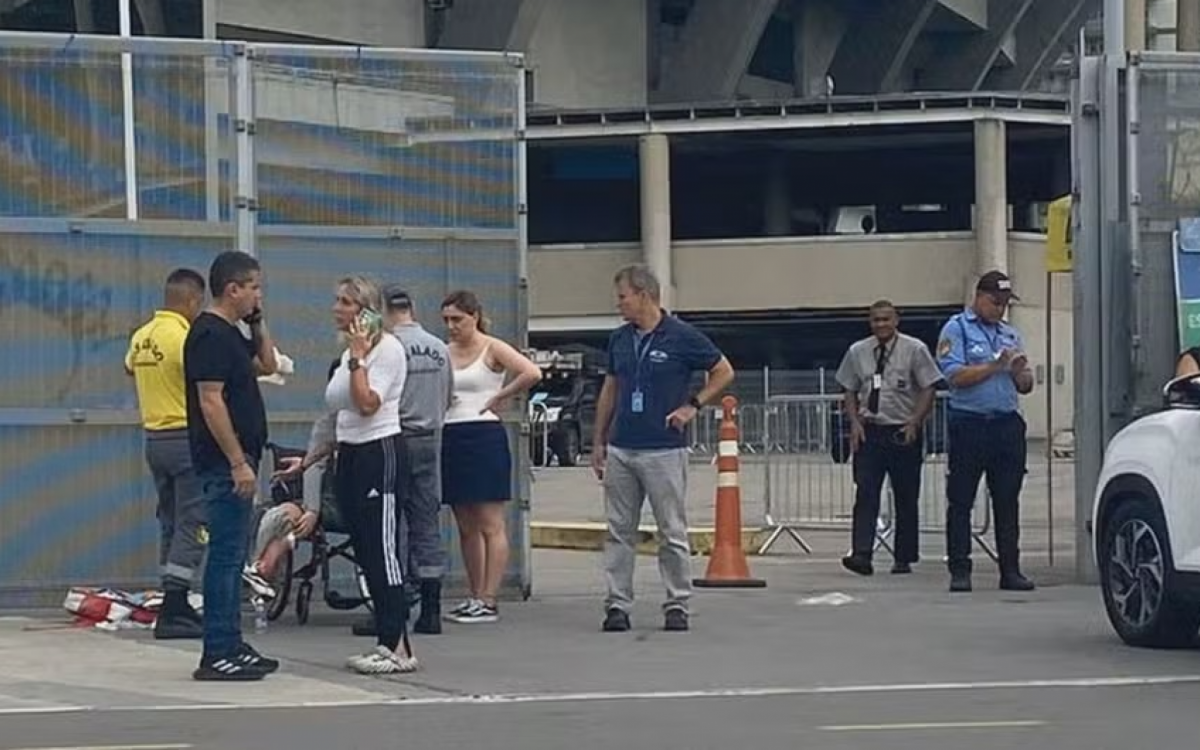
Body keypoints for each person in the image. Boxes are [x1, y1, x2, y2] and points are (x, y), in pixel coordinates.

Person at [592, 264, 735, 633]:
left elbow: (723, 370)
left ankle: (677, 603)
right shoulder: (620, 339)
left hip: (664, 448)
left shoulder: (681, 336)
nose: (619, 304)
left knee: (671, 529)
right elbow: (610, 388)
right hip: (623, 446)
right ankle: (617, 604)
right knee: (619, 530)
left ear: (644, 295)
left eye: (623, 297)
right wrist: (599, 439)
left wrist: (693, 405)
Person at [184, 250, 280, 681]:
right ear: (232, 289)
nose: (258, 294)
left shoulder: (232, 334)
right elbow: (210, 401)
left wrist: (258, 323)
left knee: (235, 554)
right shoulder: (209, 334)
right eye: (253, 287)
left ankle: (233, 642)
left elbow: (267, 364)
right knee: (224, 556)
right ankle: (216, 651)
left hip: (242, 457)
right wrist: (237, 461)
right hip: (224, 462)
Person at [325, 276, 419, 675]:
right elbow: (338, 411)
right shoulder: (349, 351)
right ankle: (387, 640)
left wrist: (359, 358)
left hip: (379, 451)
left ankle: (396, 645)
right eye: (337, 300)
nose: (337, 309)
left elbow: (367, 403)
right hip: (349, 452)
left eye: (346, 302)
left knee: (383, 551)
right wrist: (313, 458)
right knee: (364, 550)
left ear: (366, 312)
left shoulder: (387, 351)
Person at [440, 290, 542, 624]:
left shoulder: (492, 347)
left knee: (490, 522)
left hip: (483, 433)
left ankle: (489, 597)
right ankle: (474, 594)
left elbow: (531, 372)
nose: (452, 327)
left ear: (474, 317)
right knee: (465, 523)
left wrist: (501, 395)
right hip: (452, 433)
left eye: (458, 319)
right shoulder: (444, 352)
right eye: (447, 320)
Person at [936, 270, 1036, 594]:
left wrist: (1020, 373)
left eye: (1004, 303)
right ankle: (960, 569)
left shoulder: (1010, 334)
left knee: (1007, 500)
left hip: (1005, 424)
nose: (1000, 309)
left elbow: (1026, 385)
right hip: (970, 423)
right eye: (995, 302)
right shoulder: (957, 329)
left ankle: (1011, 570)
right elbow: (954, 376)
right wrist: (994, 366)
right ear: (978, 297)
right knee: (961, 499)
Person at [125, 268, 208, 640]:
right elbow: (206, 379)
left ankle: (170, 598)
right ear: (192, 300)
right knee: (194, 520)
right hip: (184, 437)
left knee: (170, 520)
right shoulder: (185, 337)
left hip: (154, 438)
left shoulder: (142, 336)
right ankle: (177, 602)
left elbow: (129, 368)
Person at [835, 300, 942, 577]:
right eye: (876, 320)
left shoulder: (914, 349)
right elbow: (848, 388)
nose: (881, 324)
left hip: (902, 430)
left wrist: (915, 421)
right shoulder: (858, 351)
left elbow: (929, 387)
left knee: (906, 496)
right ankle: (861, 554)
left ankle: (903, 557)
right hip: (870, 431)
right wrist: (854, 422)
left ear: (896, 321)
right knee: (866, 493)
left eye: (886, 319)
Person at [383, 284, 454, 634]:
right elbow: (449, 394)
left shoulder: (390, 347)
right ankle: (431, 608)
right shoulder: (439, 348)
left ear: (385, 311)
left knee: (390, 523)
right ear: (411, 308)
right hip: (430, 439)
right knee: (426, 522)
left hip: (397, 437)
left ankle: (393, 607)